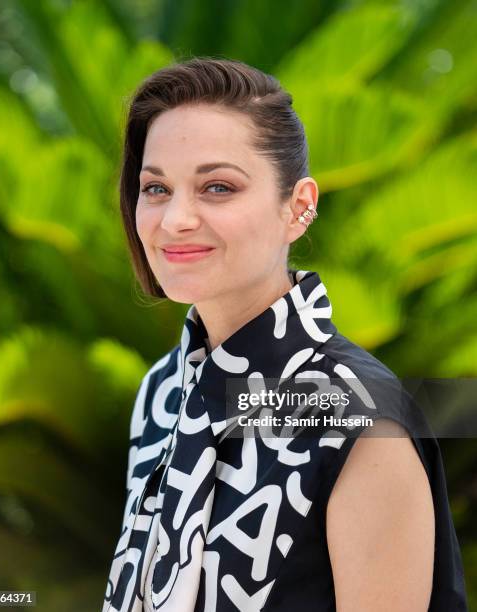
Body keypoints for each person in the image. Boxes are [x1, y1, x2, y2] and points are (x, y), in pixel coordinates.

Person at [102, 57, 468, 612]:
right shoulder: (163, 391)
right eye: (155, 188)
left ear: (298, 207)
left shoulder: (358, 422)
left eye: (217, 186)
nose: (174, 218)